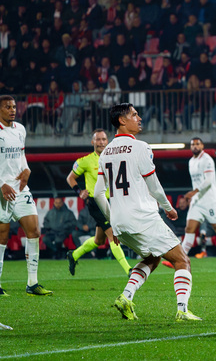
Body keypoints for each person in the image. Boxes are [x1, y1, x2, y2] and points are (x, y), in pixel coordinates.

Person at [94, 103, 201, 321]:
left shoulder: (105, 153)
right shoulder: (141, 147)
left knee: (152, 258)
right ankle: (182, 310)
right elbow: (154, 186)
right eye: (134, 114)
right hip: (143, 218)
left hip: (120, 222)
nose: (139, 118)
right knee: (182, 261)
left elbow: (97, 194)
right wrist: (169, 208)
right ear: (122, 121)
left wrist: (111, 222)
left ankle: (126, 296)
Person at [0, 95, 53, 296]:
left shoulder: (20, 129)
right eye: (7, 107)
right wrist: (2, 185)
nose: (12, 110)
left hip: (20, 189)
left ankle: (32, 283)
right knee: (2, 236)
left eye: (14, 106)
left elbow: (21, 155)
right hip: (2, 191)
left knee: (34, 230)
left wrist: (27, 170)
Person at [66, 129, 132, 276]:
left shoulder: (113, 158)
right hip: (96, 203)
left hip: (112, 201)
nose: (101, 142)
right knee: (112, 234)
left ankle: (74, 255)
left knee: (99, 240)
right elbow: (70, 178)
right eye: (98, 139)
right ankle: (129, 270)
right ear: (93, 142)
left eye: (103, 139)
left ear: (107, 141)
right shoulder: (85, 161)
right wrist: (79, 191)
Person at [172, 138, 216, 269]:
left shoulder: (207, 160)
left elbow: (209, 181)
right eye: (192, 144)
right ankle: (181, 260)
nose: (195, 146)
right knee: (189, 228)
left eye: (197, 144)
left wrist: (193, 192)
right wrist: (194, 195)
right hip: (197, 201)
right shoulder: (191, 162)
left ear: (202, 146)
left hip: (210, 201)